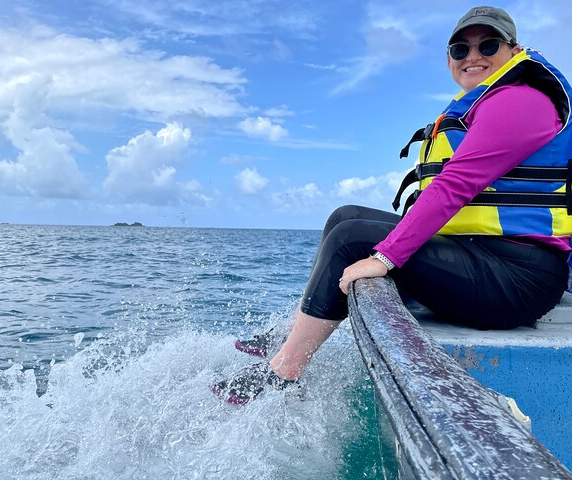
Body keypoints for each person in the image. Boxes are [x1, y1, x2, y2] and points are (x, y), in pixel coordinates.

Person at [212, 6, 572, 405]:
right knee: (345, 216)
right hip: (482, 255)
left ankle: (284, 374)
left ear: (513, 50)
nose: (473, 56)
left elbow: (457, 184)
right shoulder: (489, 100)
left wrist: (386, 257)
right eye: (460, 49)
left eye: (488, 44)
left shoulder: (523, 101)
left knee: (352, 239)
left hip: (517, 278)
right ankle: (291, 333)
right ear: (448, 58)